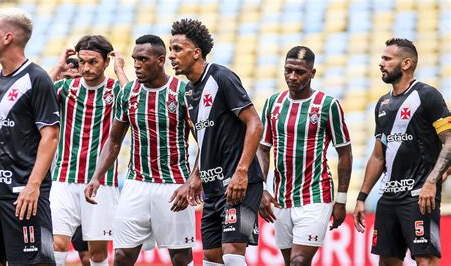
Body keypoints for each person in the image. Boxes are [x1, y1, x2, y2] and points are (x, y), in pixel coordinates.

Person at [85, 34, 195, 266]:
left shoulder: (183, 92)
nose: (136, 65)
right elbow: (114, 141)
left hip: (174, 184)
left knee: (180, 257)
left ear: (161, 60)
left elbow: (205, 143)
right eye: (135, 59)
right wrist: (97, 176)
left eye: (143, 59)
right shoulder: (127, 93)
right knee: (123, 255)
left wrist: (191, 182)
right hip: (136, 183)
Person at [169, 19, 264, 266]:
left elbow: (255, 123)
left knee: (232, 255)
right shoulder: (189, 91)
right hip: (212, 190)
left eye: (178, 49)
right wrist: (195, 177)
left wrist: (241, 172)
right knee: (212, 259)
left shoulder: (222, 77)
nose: (172, 55)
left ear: (196, 52)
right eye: (170, 49)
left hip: (239, 185)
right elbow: (205, 140)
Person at [353, 38, 451, 265]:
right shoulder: (383, 104)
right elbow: (378, 155)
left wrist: (431, 182)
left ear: (406, 63)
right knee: (387, 261)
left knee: (425, 260)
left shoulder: (427, 96)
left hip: (419, 196)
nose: (381, 63)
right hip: (388, 197)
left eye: (387, 58)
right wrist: (362, 197)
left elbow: (449, 141)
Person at [256, 46, 353, 265]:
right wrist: (261, 189)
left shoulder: (327, 105)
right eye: (288, 70)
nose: (292, 76)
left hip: (316, 195)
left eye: (299, 72)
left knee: (299, 261)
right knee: (291, 262)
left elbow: (345, 152)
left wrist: (341, 200)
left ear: (312, 73)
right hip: (282, 199)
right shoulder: (273, 103)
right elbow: (263, 148)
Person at [0, 7, 59, 264]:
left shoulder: (37, 79)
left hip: (22, 195)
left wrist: (33, 187)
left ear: (8, 37)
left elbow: (51, 136)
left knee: (33, 263)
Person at [48, 35, 128, 266]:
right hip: (64, 178)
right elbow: (34, 94)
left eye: (93, 62)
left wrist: (120, 70)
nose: (86, 67)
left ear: (105, 62)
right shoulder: (65, 87)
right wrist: (59, 67)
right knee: (56, 244)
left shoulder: (115, 90)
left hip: (100, 181)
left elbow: (136, 101)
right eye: (82, 61)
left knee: (97, 254)